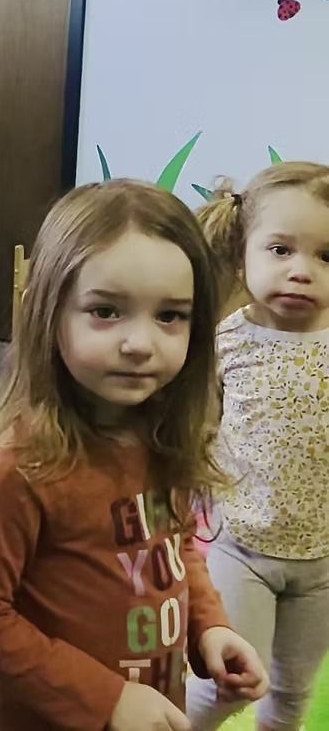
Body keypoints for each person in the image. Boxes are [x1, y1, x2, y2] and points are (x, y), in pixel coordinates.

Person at [0, 180, 269, 731]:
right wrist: (105, 699)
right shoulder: (20, 468)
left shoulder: (161, 435)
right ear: (49, 314)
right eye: (105, 311)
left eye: (170, 316)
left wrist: (210, 628)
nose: (140, 343)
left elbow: (172, 547)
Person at [187, 163, 329, 730]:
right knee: (227, 687)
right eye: (280, 249)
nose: (301, 271)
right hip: (242, 549)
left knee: (293, 694)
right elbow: (198, 425)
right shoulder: (228, 340)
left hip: (323, 561)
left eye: (327, 256)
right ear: (242, 254)